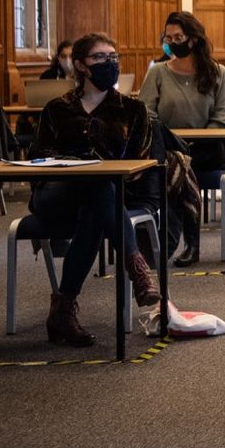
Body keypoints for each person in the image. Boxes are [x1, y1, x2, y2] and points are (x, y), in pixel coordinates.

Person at [29, 33, 160, 347]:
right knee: (98, 188)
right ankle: (137, 266)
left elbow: (137, 166)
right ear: (80, 66)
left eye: (114, 57)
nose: (109, 63)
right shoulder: (57, 108)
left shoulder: (133, 109)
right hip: (56, 194)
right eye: (100, 58)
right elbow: (38, 157)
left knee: (97, 200)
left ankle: (63, 308)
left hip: (107, 195)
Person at [138, 11, 225, 267]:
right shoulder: (158, 72)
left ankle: (181, 243)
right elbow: (145, 112)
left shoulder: (218, 72)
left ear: (193, 40)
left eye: (178, 37)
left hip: (206, 148)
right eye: (168, 37)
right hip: (167, 149)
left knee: (181, 169)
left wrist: (199, 140)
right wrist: (171, 142)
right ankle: (179, 243)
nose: (172, 42)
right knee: (175, 166)